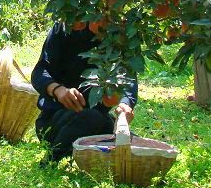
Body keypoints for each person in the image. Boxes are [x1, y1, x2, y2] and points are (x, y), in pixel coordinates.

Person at [31, 22, 138, 161]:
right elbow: (40, 72)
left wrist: (126, 104)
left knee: (129, 142)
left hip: (98, 121)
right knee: (90, 117)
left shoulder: (121, 34)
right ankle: (51, 159)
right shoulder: (65, 27)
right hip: (55, 121)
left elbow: (128, 77)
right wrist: (58, 89)